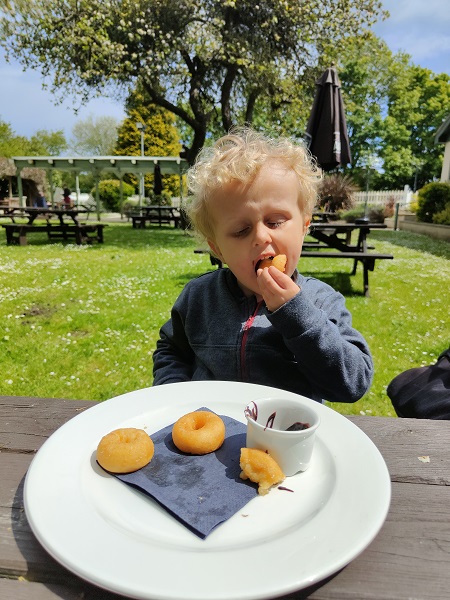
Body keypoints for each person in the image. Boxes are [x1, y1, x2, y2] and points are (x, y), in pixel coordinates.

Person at [152, 128, 373, 403]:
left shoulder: (321, 302)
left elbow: (353, 382)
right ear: (217, 249)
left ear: (305, 227)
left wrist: (296, 314)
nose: (261, 237)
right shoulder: (199, 298)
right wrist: (173, 392)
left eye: (275, 222)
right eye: (241, 230)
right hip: (211, 432)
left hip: (284, 437)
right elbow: (171, 350)